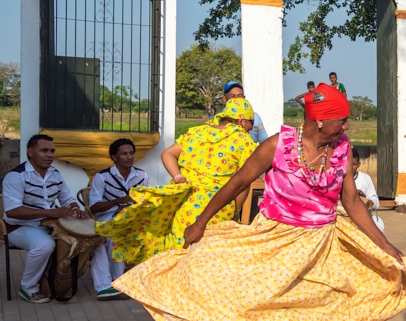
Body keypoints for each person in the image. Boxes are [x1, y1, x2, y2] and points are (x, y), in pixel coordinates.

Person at [111, 83, 406, 321]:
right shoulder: (277, 145)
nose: (347, 127)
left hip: (324, 243)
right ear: (319, 122)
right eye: (341, 120)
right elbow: (236, 182)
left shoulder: (341, 149)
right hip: (277, 244)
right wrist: (200, 222)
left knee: (343, 311)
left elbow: (351, 201)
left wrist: (384, 244)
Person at [96, 99, 257, 264]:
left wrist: (177, 176)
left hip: (184, 203)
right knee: (210, 262)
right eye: (251, 122)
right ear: (240, 120)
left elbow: (167, 154)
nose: (252, 128)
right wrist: (235, 210)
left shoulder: (198, 132)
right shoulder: (243, 140)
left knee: (180, 255)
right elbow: (242, 184)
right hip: (218, 208)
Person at [2, 134, 87, 303]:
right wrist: (49, 213)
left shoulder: (55, 174)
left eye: (52, 151)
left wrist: (77, 209)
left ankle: (60, 282)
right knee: (45, 244)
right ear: (31, 152)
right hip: (18, 228)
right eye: (44, 150)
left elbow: (68, 200)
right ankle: (28, 288)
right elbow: (12, 211)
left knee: (88, 238)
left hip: (49, 224)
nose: (50, 155)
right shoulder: (16, 176)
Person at [89, 139, 149, 300]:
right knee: (111, 238)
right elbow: (94, 207)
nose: (129, 157)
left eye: (131, 153)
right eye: (124, 154)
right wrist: (117, 201)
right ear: (114, 157)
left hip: (132, 219)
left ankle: (135, 281)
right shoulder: (102, 177)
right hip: (108, 219)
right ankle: (113, 284)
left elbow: (147, 202)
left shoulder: (142, 176)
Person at [350, 147, 383, 232]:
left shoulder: (365, 178)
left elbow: (376, 203)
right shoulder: (338, 177)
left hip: (362, 215)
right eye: (348, 164)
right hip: (342, 216)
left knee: (379, 224)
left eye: (353, 164)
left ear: (358, 164)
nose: (350, 167)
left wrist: (365, 196)